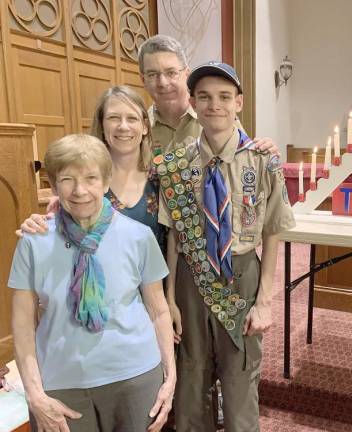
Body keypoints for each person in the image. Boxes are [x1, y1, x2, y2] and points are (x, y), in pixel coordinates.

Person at [156, 61, 295, 431]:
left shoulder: (263, 161)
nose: (213, 105)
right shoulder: (175, 165)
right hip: (189, 278)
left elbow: (274, 231)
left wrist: (264, 301)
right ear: (193, 103)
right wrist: (170, 299)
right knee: (191, 377)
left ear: (239, 103)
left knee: (240, 377)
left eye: (223, 97)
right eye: (203, 97)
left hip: (242, 273)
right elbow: (173, 236)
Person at [8, 134, 176, 432]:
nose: (80, 190)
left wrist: (170, 378)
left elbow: (158, 311)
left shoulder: (138, 236)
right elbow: (22, 325)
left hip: (135, 376)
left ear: (106, 182)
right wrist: (34, 394)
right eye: (67, 179)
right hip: (61, 383)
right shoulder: (33, 241)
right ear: (53, 184)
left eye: (91, 178)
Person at [19, 86, 166, 252]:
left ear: (145, 126)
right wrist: (38, 225)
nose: (123, 126)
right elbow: (60, 231)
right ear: (102, 124)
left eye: (132, 118)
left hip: (155, 275)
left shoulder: (163, 176)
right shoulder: (81, 182)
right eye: (114, 118)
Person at [138, 34, 277, 154]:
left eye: (171, 73)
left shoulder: (217, 115)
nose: (162, 82)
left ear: (186, 74)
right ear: (143, 80)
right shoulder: (138, 128)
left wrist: (263, 151)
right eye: (152, 74)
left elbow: (243, 161)